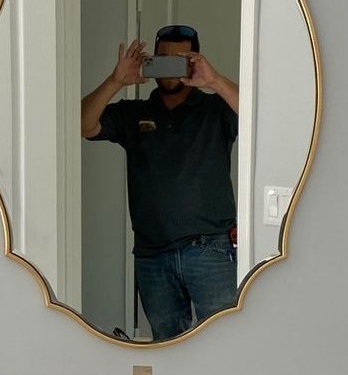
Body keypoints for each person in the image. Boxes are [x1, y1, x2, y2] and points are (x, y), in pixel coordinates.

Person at [80, 24, 240, 340]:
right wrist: (115, 81)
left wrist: (215, 81)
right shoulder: (133, 113)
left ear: (194, 61)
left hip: (210, 250)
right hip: (152, 254)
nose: (169, 68)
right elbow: (84, 124)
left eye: (179, 59)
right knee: (166, 347)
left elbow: (262, 113)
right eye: (162, 59)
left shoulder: (215, 109)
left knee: (226, 343)